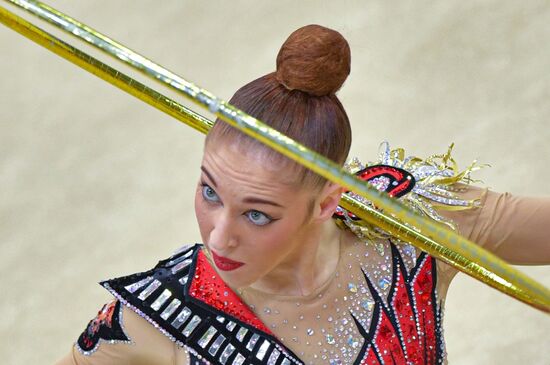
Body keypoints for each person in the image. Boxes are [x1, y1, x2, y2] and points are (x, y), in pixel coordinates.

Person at [56, 24, 550, 365]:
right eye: (210, 192)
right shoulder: (154, 317)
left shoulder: (407, 223)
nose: (219, 238)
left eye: (257, 215)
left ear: (326, 203)